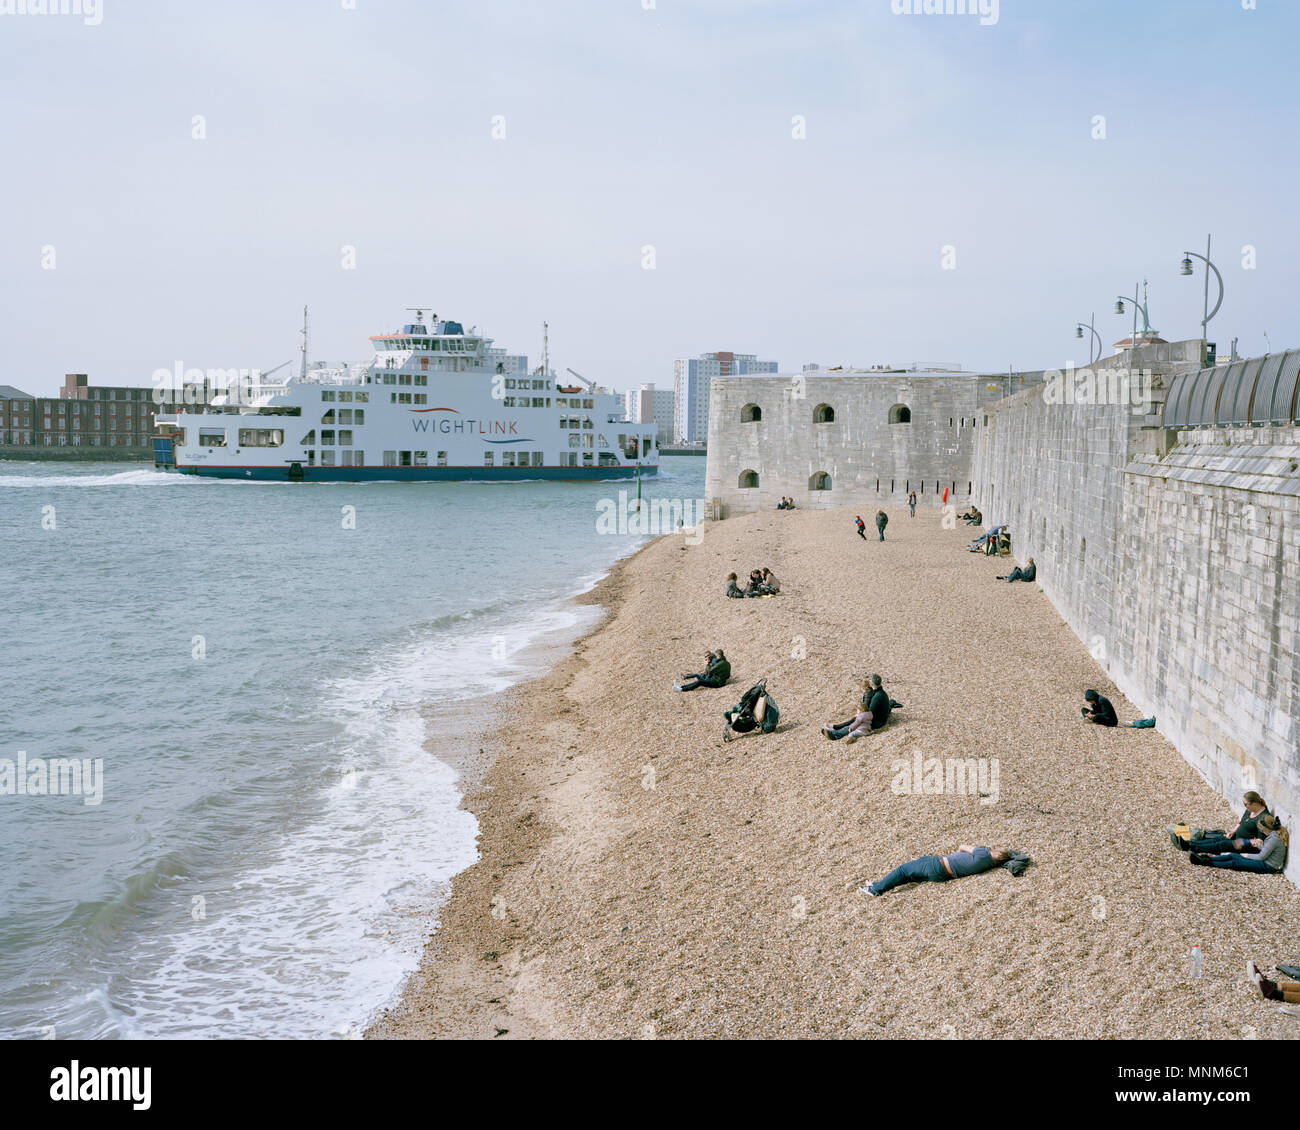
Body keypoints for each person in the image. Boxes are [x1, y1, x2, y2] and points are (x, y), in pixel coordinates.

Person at [861, 844, 1014, 896]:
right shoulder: (990, 866)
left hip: (938, 865)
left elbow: (962, 846)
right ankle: (881, 883)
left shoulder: (984, 854)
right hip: (942, 875)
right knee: (910, 874)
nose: (992, 849)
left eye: (995, 849)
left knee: (903, 870)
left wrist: (981, 849)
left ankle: (876, 890)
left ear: (998, 854)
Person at [1169, 792, 1271, 855]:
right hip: (1236, 837)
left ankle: (1188, 846)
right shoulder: (1250, 810)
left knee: (1221, 844)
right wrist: (1232, 831)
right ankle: (1188, 844)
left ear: (1253, 804)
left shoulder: (1263, 818)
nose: (1244, 806)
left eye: (1245, 804)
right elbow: (1241, 823)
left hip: (1246, 845)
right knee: (1218, 839)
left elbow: (1260, 842)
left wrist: (1247, 842)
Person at [1190, 814, 1288, 874]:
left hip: (1268, 866)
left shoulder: (1274, 839)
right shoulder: (1273, 835)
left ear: (1266, 829)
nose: (1261, 832)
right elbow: (1267, 850)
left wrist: (1246, 855)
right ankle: (1206, 858)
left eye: (1261, 830)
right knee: (1233, 855)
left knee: (1235, 862)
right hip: (1266, 861)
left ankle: (1204, 862)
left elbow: (1261, 857)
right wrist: (1259, 846)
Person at [822, 674, 892, 741]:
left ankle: (836, 734)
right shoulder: (881, 693)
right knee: (858, 719)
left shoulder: (877, 696)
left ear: (871, 684)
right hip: (880, 718)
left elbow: (869, 713)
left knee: (859, 721)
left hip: (878, 722)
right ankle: (837, 729)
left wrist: (859, 716)